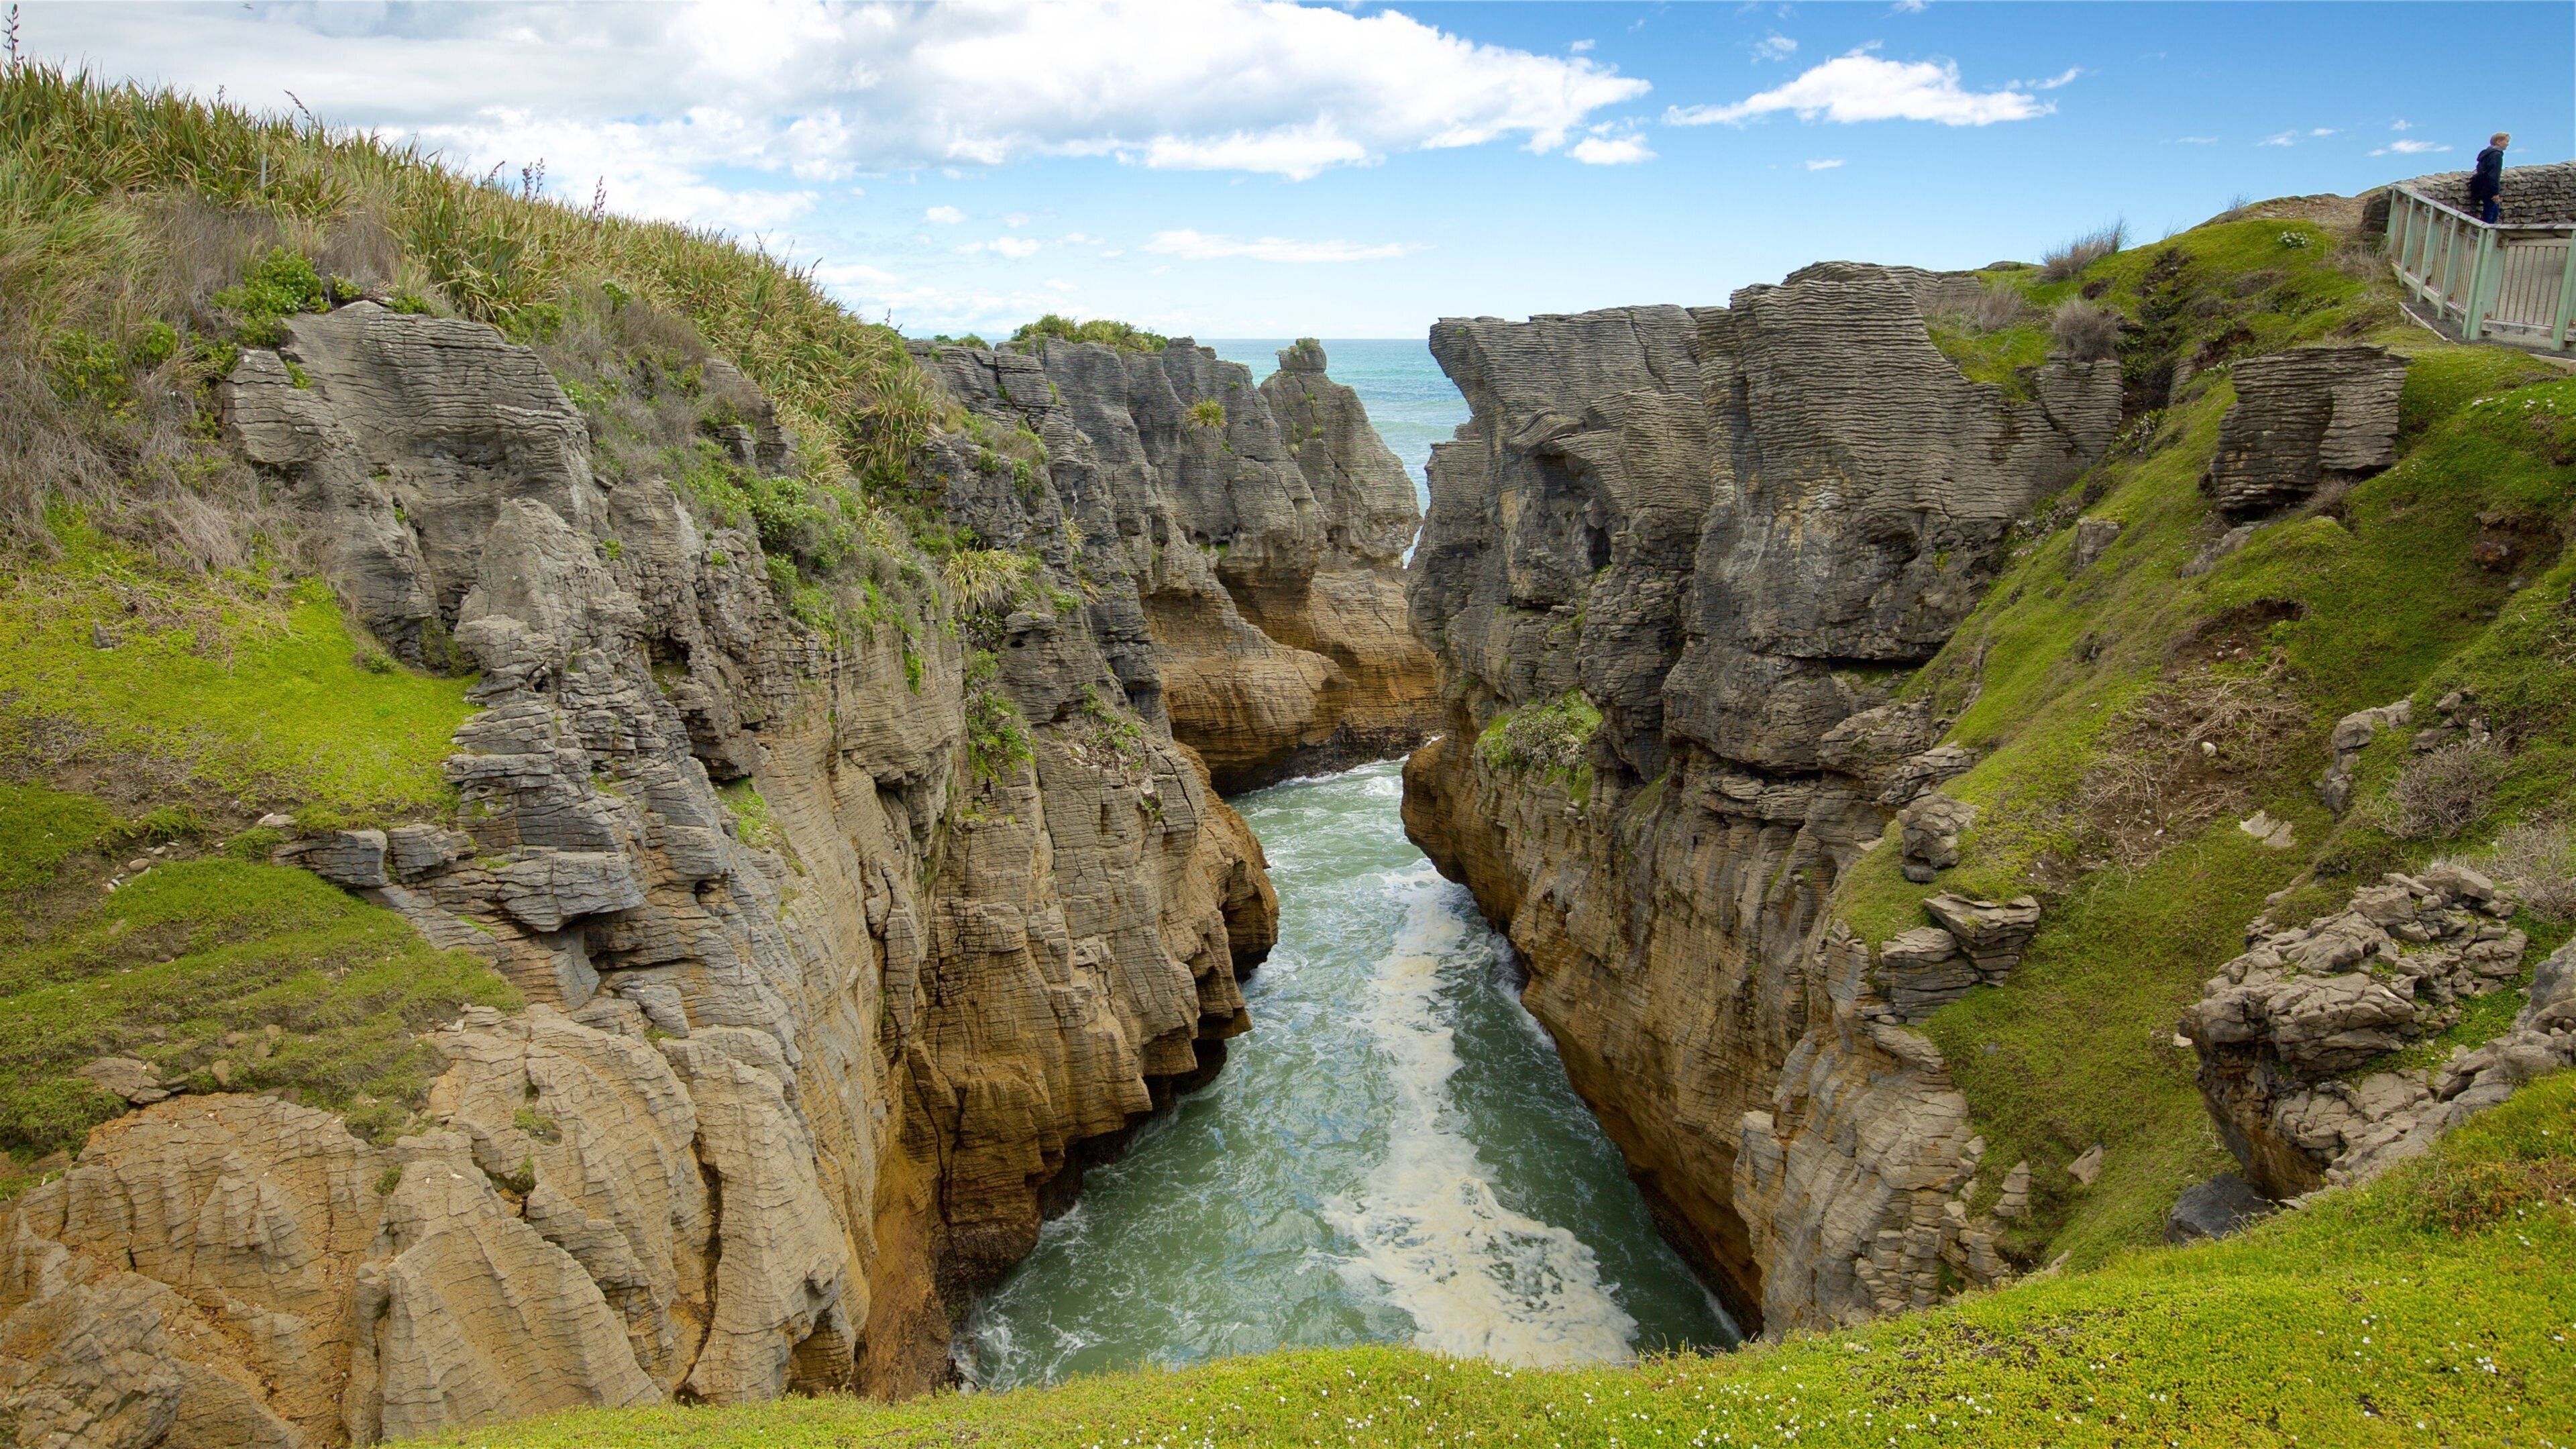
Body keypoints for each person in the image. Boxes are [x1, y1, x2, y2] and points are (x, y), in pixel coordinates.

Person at [2470, 132, 2509, 224]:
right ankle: (2486, 236)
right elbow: (2494, 175)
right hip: (2489, 189)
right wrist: (2495, 192)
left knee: (2493, 212)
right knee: (2491, 215)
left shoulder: (2487, 152)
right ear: (2498, 142)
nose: (2508, 144)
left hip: (2481, 186)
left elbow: (2480, 169)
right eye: (2506, 141)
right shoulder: (2497, 155)